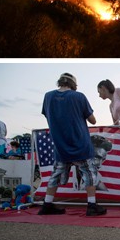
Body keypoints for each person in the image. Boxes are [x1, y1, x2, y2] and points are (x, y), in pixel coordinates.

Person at [40, 73, 106, 216]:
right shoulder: (79, 96)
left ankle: (47, 204)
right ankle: (92, 206)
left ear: (60, 82)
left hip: (59, 143)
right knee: (89, 173)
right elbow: (93, 120)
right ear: (73, 84)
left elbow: (48, 115)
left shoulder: (48, 96)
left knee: (55, 175)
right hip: (79, 142)